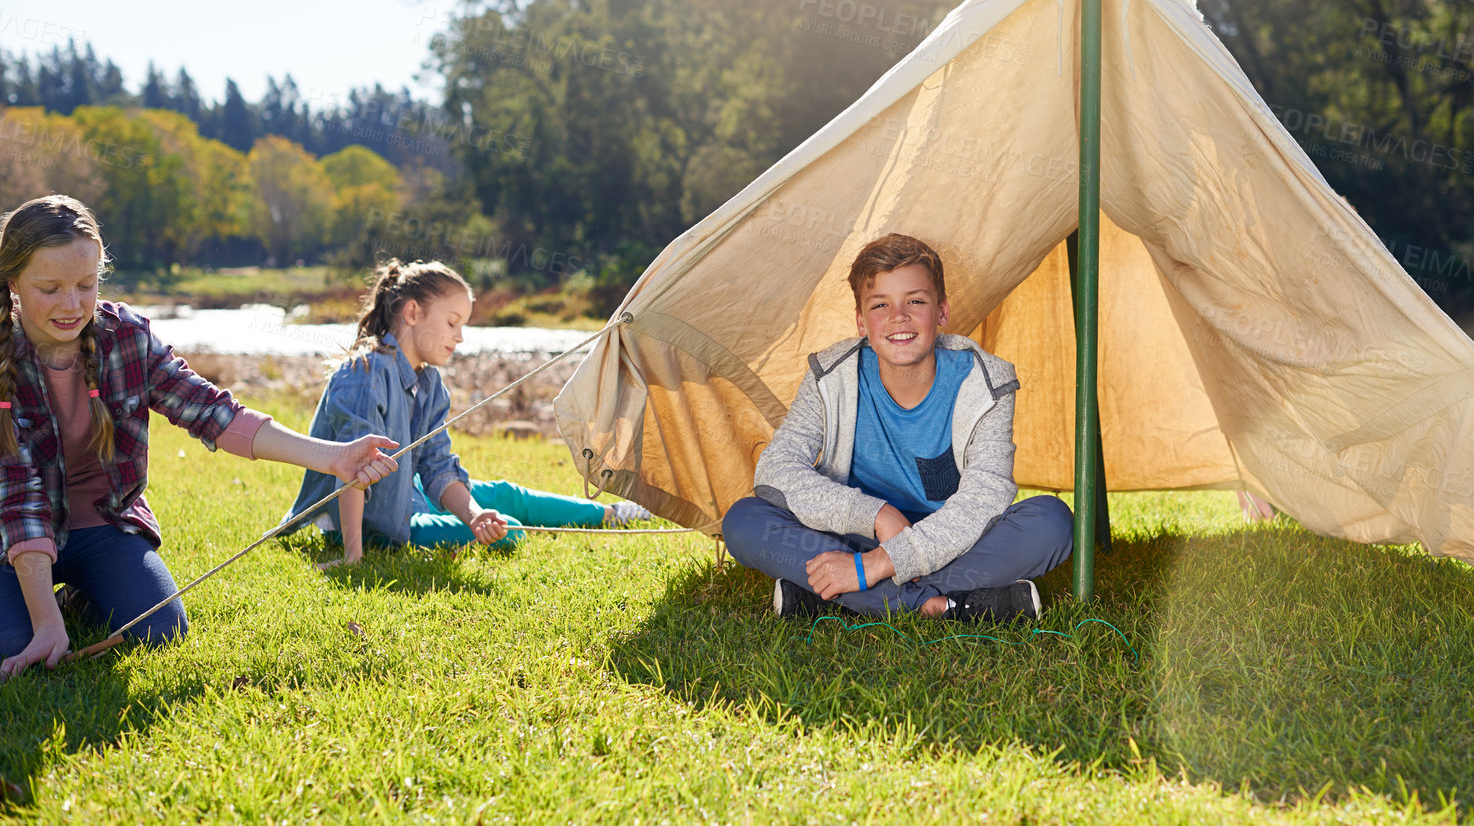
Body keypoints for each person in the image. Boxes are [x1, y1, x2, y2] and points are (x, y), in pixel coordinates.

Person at [0, 195, 400, 679]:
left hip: (103, 526)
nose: (71, 305)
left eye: (86, 285)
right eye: (50, 288)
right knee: (16, 644)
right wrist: (44, 622)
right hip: (9, 538)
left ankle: (80, 597)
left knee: (160, 629)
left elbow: (213, 412)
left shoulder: (126, 337)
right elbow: (17, 497)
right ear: (13, 282)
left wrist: (333, 457)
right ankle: (46, 610)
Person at [722, 233, 1074, 622]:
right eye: (880, 305)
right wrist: (876, 515)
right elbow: (776, 471)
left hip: (951, 538)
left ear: (941, 312)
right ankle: (946, 605)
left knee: (1051, 522)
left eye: (915, 301)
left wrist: (873, 567)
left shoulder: (986, 383)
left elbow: (984, 498)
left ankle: (830, 595)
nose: (898, 317)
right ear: (861, 321)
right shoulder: (830, 375)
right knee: (744, 520)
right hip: (855, 536)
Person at [281, 259, 646, 564]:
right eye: (452, 322)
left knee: (502, 498)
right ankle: (363, 543)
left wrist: (473, 516)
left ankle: (613, 514)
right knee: (509, 531)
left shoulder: (429, 383)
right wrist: (353, 556)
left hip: (411, 495)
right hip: (376, 523)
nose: (460, 337)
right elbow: (352, 468)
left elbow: (438, 466)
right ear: (412, 313)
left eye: (463, 326)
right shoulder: (363, 373)